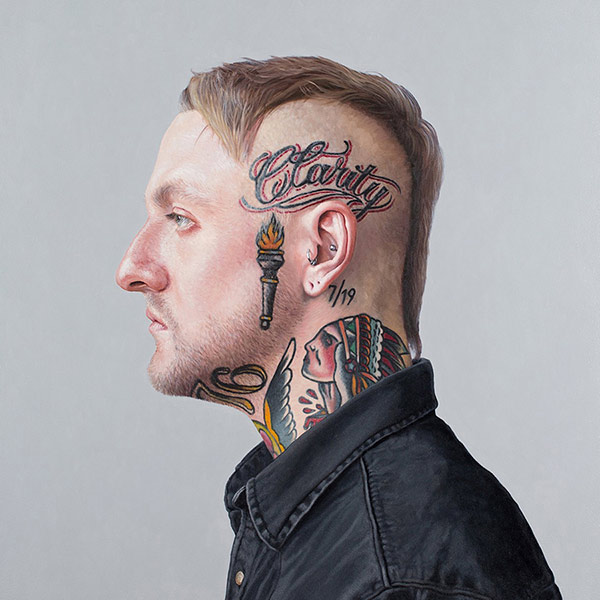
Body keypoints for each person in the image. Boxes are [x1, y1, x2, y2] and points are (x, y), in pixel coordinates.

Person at [116, 56, 562, 600]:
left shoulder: (397, 578)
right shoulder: (317, 510)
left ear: (322, 249)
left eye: (181, 218)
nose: (132, 268)